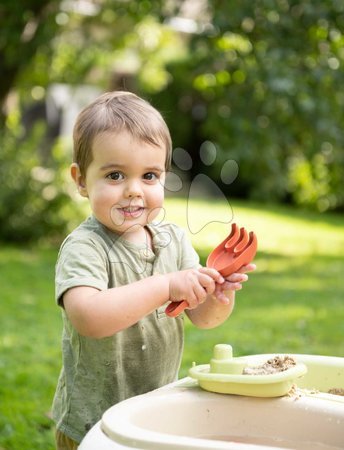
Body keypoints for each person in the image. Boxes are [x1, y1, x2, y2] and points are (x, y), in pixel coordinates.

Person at [52, 91, 256, 449]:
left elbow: (202, 317)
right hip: (93, 421)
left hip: (156, 413)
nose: (134, 191)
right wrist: (165, 286)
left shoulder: (173, 241)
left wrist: (218, 294)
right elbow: (89, 318)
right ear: (81, 180)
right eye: (115, 175)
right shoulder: (86, 246)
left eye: (149, 175)